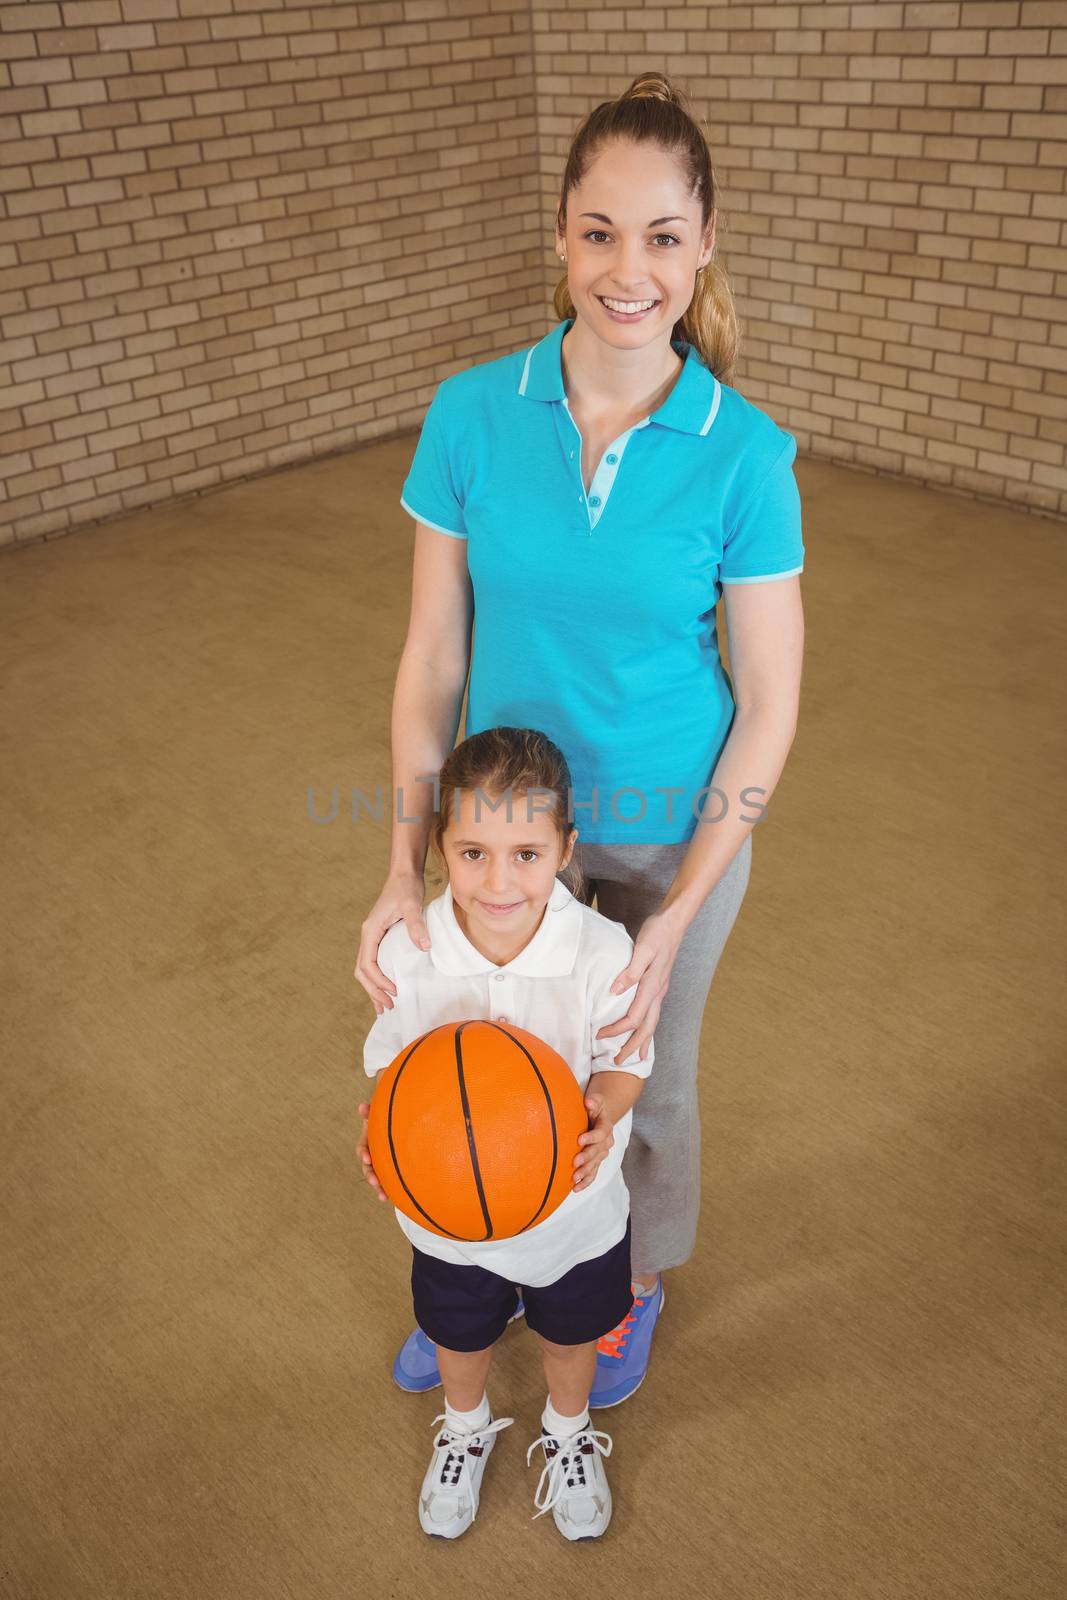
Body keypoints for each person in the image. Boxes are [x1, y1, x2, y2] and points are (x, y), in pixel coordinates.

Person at [355, 71, 805, 1410]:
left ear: (703, 242)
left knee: (634, 1083)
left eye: (661, 236)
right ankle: (480, 1264)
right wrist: (400, 867)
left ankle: (627, 1290)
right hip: (507, 835)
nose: (628, 269)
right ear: (558, 232)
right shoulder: (469, 416)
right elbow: (433, 653)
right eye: (599, 231)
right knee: (483, 1053)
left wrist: (669, 922)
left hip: (668, 832)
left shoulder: (744, 456)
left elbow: (769, 704)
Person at [357, 726, 655, 1540]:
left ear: (565, 847)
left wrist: (605, 1111)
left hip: (574, 1209)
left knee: (570, 1336)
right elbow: (392, 1074)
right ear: (438, 849)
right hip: (447, 1214)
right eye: (472, 852)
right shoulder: (409, 950)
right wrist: (387, 1141)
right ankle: (463, 1427)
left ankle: (566, 1434)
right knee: (458, 1330)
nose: (497, 880)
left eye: (525, 853)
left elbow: (628, 1059)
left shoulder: (600, 950)